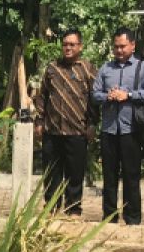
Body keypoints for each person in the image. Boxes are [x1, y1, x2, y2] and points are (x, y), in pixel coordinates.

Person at [92, 27, 144, 225]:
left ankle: (133, 219)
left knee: (131, 176)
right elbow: (94, 94)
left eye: (122, 46)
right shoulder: (105, 69)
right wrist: (107, 96)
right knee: (109, 177)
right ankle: (109, 218)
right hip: (109, 130)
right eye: (116, 47)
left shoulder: (143, 67)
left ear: (132, 45)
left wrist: (128, 95)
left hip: (131, 131)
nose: (119, 50)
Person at [34, 28, 97, 215]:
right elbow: (42, 96)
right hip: (52, 131)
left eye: (72, 44)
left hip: (77, 131)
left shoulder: (88, 69)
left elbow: (95, 99)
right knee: (51, 173)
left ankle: (73, 210)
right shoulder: (53, 68)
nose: (67, 48)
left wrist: (92, 124)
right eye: (65, 44)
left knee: (74, 174)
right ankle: (51, 209)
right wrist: (39, 120)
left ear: (80, 46)